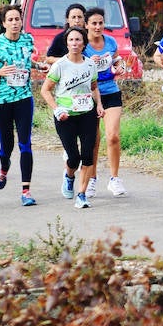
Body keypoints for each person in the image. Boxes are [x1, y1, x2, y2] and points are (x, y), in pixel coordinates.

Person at [0, 5, 40, 207]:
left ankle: (26, 191)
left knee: (25, 144)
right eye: (10, 20)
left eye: (17, 19)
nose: (14, 23)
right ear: (3, 23)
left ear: (22, 21)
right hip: (1, 101)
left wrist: (39, 66)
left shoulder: (27, 40)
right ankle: (4, 169)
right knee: (7, 146)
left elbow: (26, 61)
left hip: (23, 98)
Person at [41, 26, 103, 209]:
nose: (74, 43)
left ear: (84, 43)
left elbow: (94, 87)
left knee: (88, 154)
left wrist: (99, 105)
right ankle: (69, 176)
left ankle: (82, 194)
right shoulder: (60, 65)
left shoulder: (90, 64)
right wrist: (56, 109)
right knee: (74, 157)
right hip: (66, 116)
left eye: (78, 40)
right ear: (66, 43)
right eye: (71, 40)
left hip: (87, 114)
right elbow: (45, 90)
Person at [84, 7, 128, 198]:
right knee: (93, 139)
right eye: (94, 23)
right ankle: (92, 178)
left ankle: (115, 178)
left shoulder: (110, 41)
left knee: (113, 136)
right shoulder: (82, 44)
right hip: (89, 94)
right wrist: (88, 62)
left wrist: (121, 67)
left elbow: (117, 61)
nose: (98, 26)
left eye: (101, 22)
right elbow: (73, 64)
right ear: (86, 25)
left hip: (111, 91)